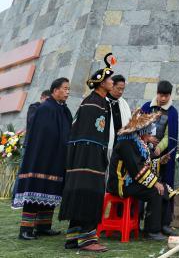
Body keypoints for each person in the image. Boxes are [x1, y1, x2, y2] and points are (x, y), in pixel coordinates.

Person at [59, 53, 115, 252]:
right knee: (89, 193)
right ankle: (87, 240)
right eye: (109, 79)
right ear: (100, 83)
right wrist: (98, 159)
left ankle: (73, 237)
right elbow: (90, 137)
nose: (112, 82)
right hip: (88, 160)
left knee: (81, 193)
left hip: (83, 159)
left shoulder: (96, 102)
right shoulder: (94, 104)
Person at [13, 78, 72, 240]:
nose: (68, 92)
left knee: (50, 190)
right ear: (55, 90)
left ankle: (43, 226)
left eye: (69, 89)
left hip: (56, 159)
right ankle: (25, 229)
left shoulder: (64, 110)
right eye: (65, 88)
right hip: (41, 159)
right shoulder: (45, 109)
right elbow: (40, 137)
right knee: (36, 189)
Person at [107, 108, 167, 241]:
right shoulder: (126, 144)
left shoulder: (136, 142)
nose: (150, 134)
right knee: (155, 191)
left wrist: (159, 161)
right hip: (120, 184)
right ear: (142, 132)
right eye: (148, 132)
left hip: (131, 182)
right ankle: (152, 231)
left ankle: (164, 225)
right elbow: (137, 170)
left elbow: (142, 164)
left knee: (164, 188)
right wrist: (155, 183)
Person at [141, 80, 178, 235]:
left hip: (162, 158)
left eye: (166, 96)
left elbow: (171, 135)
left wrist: (159, 148)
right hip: (143, 154)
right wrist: (146, 141)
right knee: (143, 186)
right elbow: (138, 128)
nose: (163, 99)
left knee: (164, 188)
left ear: (170, 95)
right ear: (157, 93)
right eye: (161, 95)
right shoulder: (145, 108)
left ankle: (164, 223)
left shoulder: (172, 112)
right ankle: (138, 220)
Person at [107, 74, 132, 162]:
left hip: (120, 144)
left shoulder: (123, 103)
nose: (121, 92)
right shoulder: (103, 101)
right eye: (118, 88)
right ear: (111, 86)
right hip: (107, 144)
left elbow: (129, 123)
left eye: (123, 89)